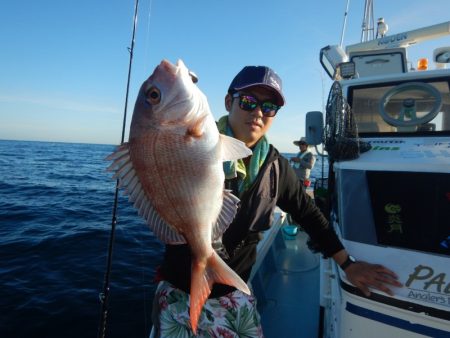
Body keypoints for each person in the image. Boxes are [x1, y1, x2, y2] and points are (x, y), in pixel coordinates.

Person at [151, 65, 402, 337]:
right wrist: (176, 90)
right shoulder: (192, 142)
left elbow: (308, 215)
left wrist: (348, 264)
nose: (258, 112)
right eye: (248, 102)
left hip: (233, 292)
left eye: (269, 107)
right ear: (227, 102)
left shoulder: (276, 168)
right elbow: (160, 139)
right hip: (178, 291)